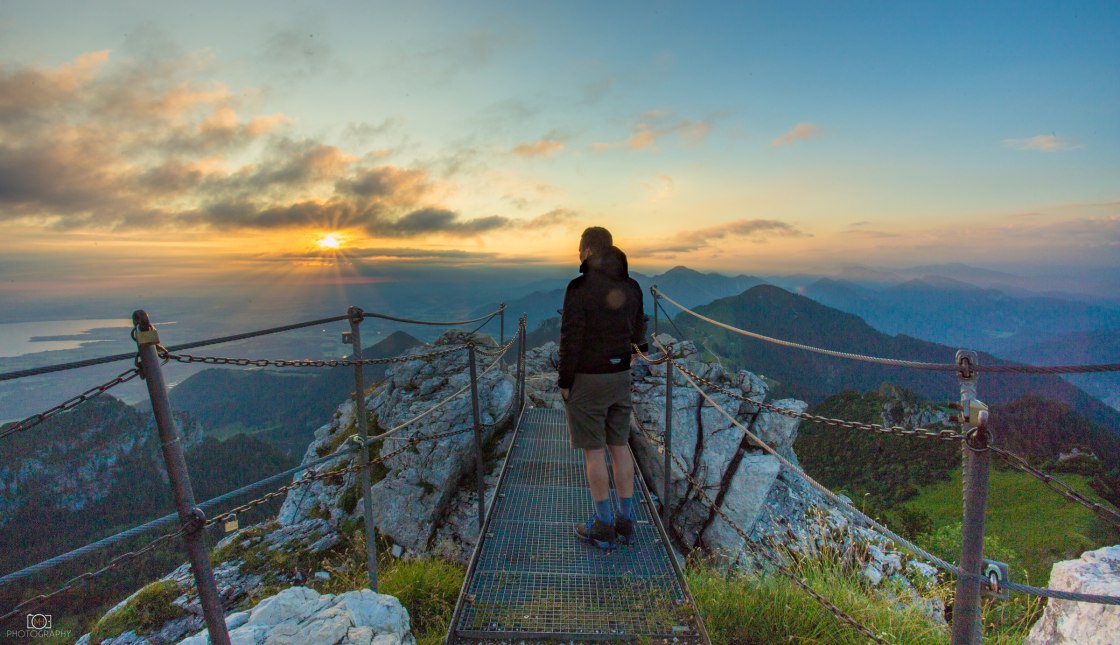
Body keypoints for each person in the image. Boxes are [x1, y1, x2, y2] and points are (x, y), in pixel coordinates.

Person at [558, 226, 647, 550]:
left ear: (588, 251)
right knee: (619, 446)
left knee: (594, 452)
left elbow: (571, 336)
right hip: (621, 375)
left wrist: (565, 382)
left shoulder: (579, 287)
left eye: (579, 248)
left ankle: (603, 525)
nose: (577, 254)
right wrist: (635, 352)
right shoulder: (632, 285)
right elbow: (639, 326)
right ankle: (625, 520)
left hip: (588, 378)